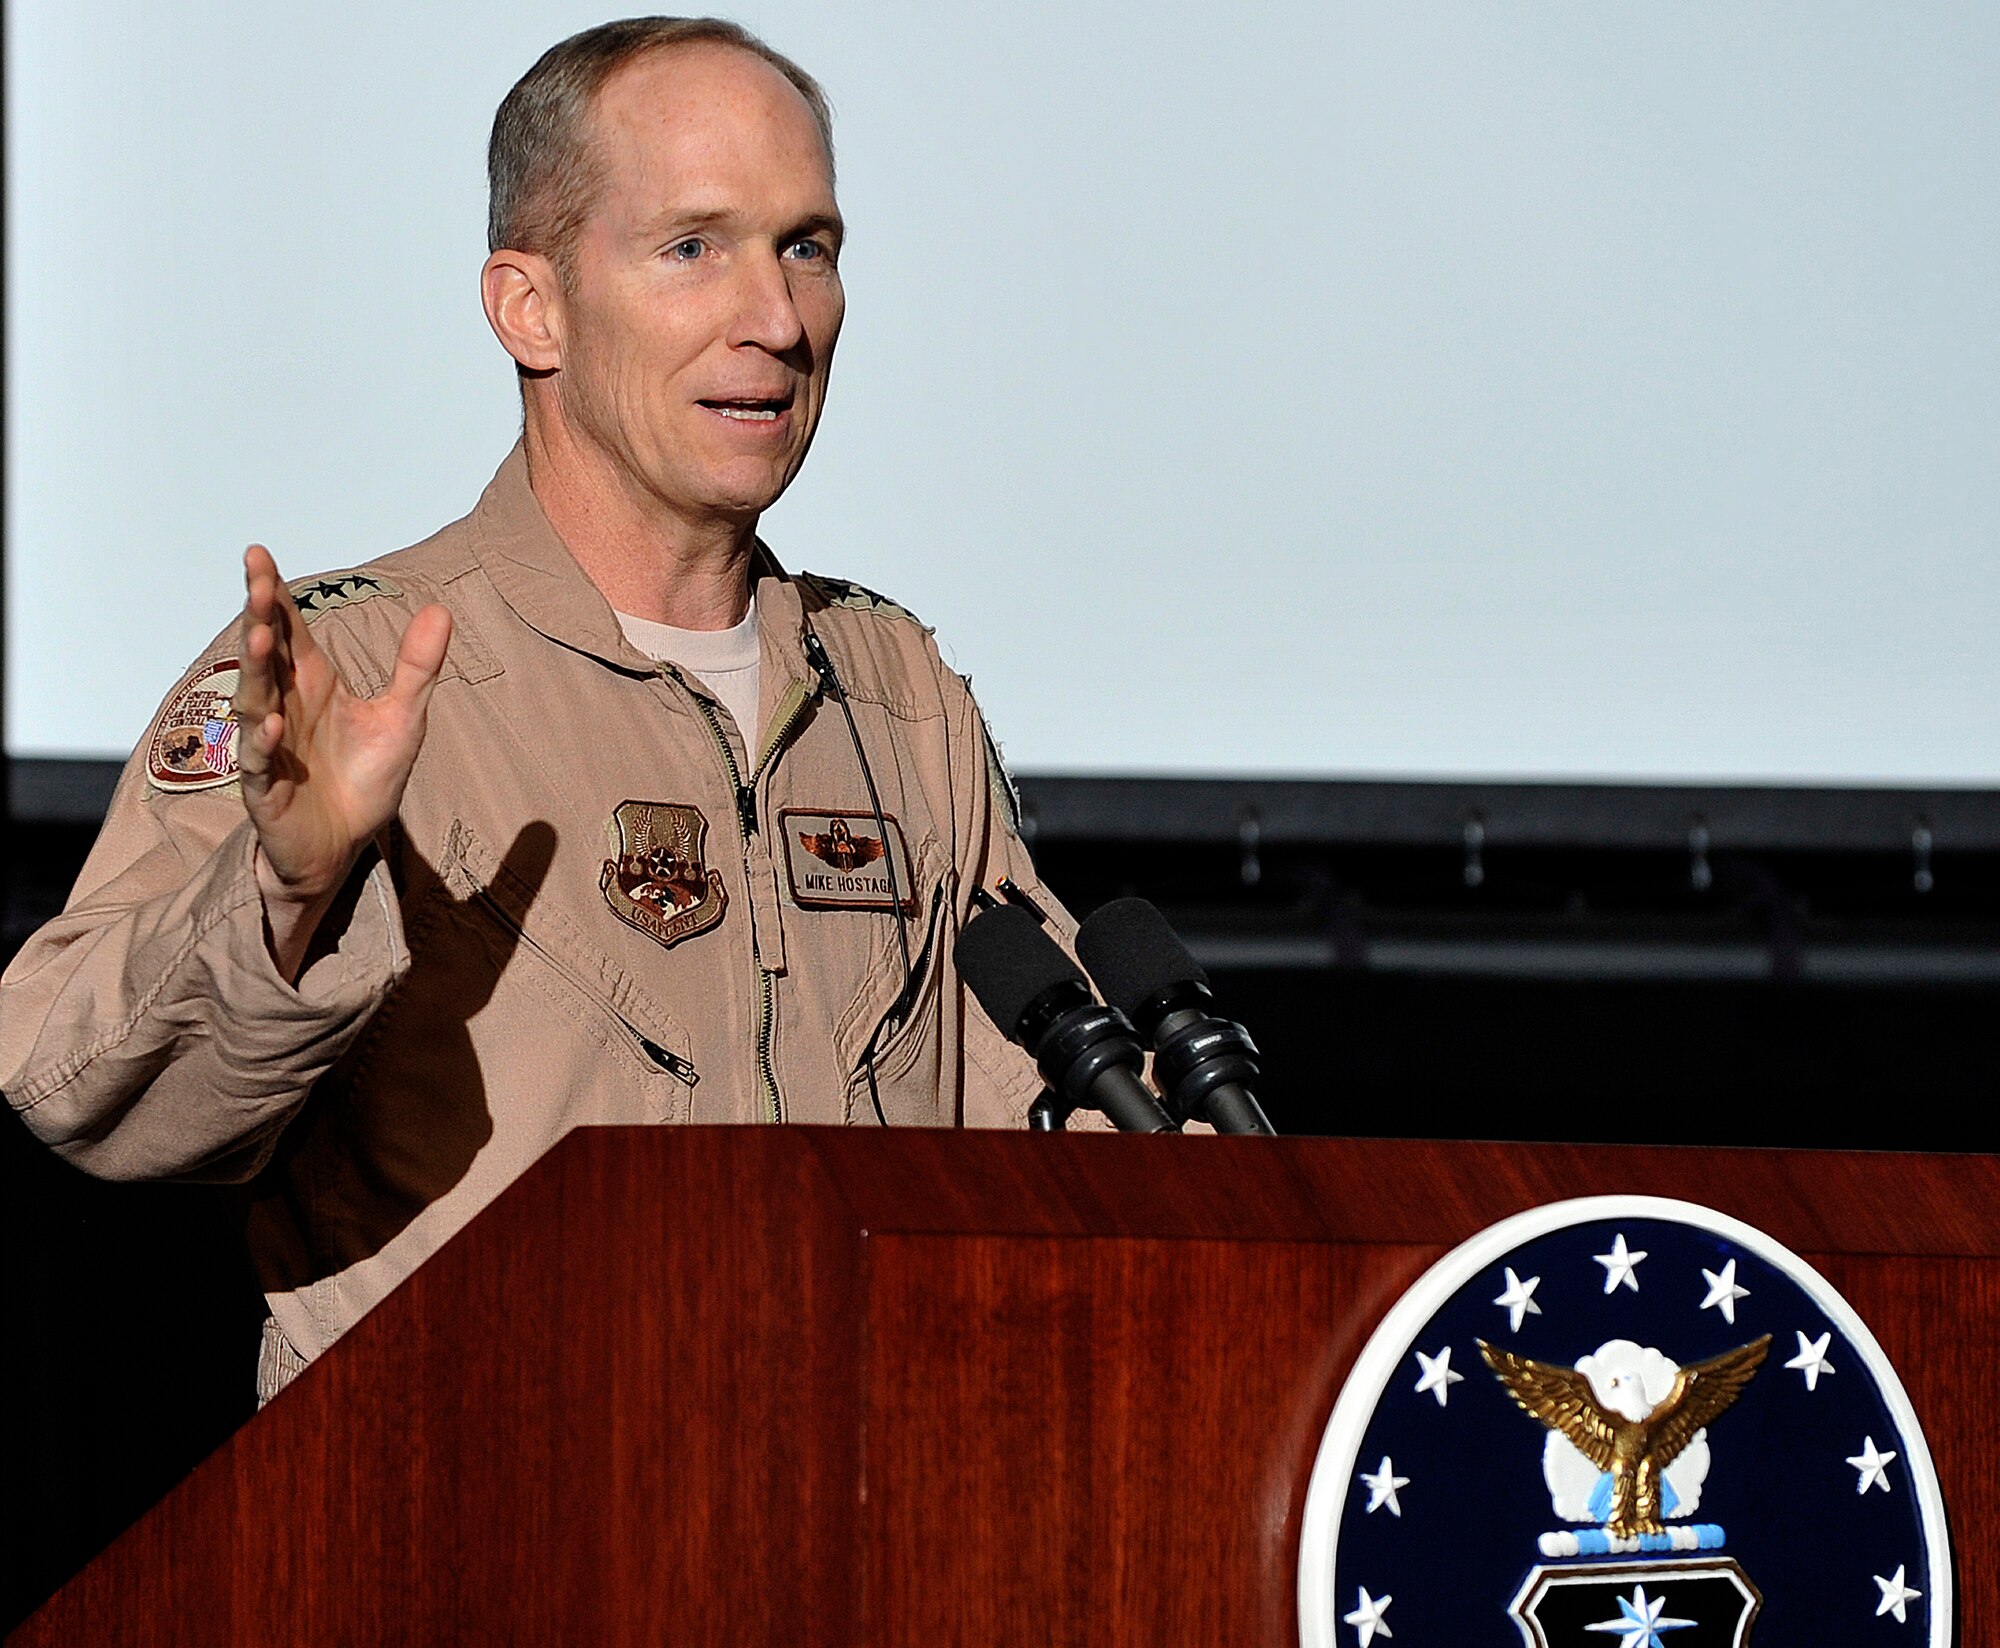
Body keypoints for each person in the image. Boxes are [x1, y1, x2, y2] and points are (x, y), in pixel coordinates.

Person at [0, 18, 1072, 1400]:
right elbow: (76, 1087)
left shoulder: (890, 691)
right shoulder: (361, 669)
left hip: (841, 1537)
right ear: (531, 307)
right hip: (459, 1534)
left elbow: (1052, 1133)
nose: (780, 318)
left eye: (808, 245)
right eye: (694, 246)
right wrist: (284, 901)